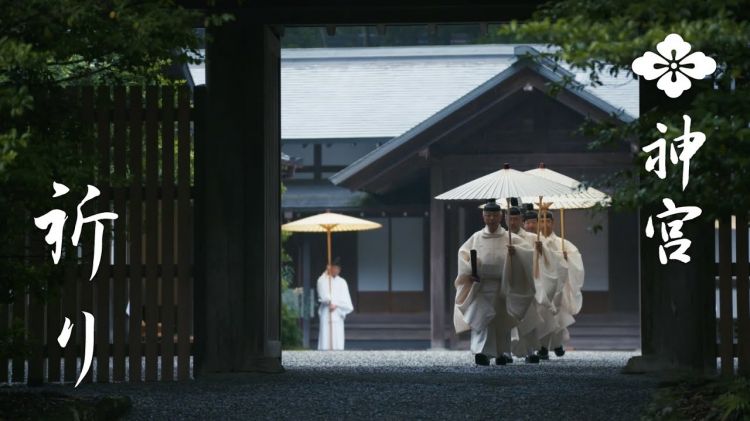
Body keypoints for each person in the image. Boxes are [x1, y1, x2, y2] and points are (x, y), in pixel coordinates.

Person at [453, 199, 538, 366]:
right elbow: (463, 253)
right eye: (488, 215)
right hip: (483, 285)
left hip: (503, 284)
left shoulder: (509, 237)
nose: (491, 219)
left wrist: (516, 252)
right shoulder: (477, 237)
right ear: (483, 217)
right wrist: (471, 269)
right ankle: (481, 352)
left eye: (494, 215)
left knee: (501, 321)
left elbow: (529, 252)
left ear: (500, 216)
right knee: (482, 320)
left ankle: (501, 353)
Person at [535, 210, 585, 359]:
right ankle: (543, 347)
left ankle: (556, 344)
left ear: (553, 223)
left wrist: (566, 257)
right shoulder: (535, 241)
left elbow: (576, 260)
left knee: (557, 315)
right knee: (543, 313)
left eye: (548, 221)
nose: (545, 224)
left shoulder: (563, 243)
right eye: (541, 221)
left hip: (558, 284)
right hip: (542, 284)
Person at [316, 257, 354, 350]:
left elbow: (346, 300)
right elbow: (323, 295)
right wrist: (329, 302)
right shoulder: (322, 280)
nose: (337, 270)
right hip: (327, 311)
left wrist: (336, 305)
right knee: (326, 336)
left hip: (338, 312)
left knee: (337, 337)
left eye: (338, 268)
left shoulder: (342, 282)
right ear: (329, 267)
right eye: (335, 267)